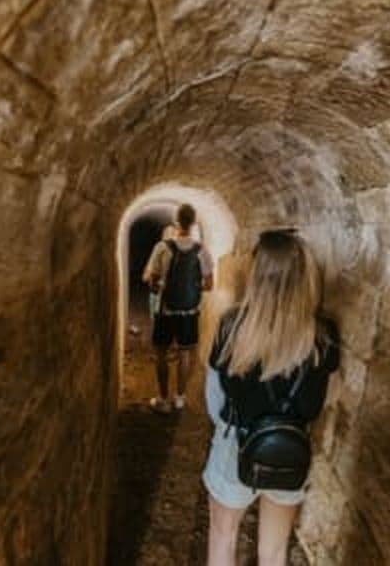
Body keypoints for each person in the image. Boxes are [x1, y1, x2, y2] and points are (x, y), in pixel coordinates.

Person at [202, 229, 340, 566]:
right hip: (290, 448)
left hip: (235, 441)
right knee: (274, 552)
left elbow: (214, 400)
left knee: (223, 537)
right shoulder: (323, 336)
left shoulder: (231, 326)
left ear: (257, 273)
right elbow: (323, 400)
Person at [142, 204, 214, 413]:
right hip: (190, 312)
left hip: (166, 310)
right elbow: (209, 285)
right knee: (185, 354)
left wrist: (159, 284)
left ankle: (163, 399)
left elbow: (151, 279)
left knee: (161, 353)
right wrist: (193, 286)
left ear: (175, 221)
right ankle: (180, 397)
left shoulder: (162, 247)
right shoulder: (202, 250)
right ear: (193, 223)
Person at [145, 223, 178, 321]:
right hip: (172, 287)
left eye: (171, 232)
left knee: (157, 311)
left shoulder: (160, 246)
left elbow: (152, 265)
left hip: (160, 285)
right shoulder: (182, 247)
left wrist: (148, 274)